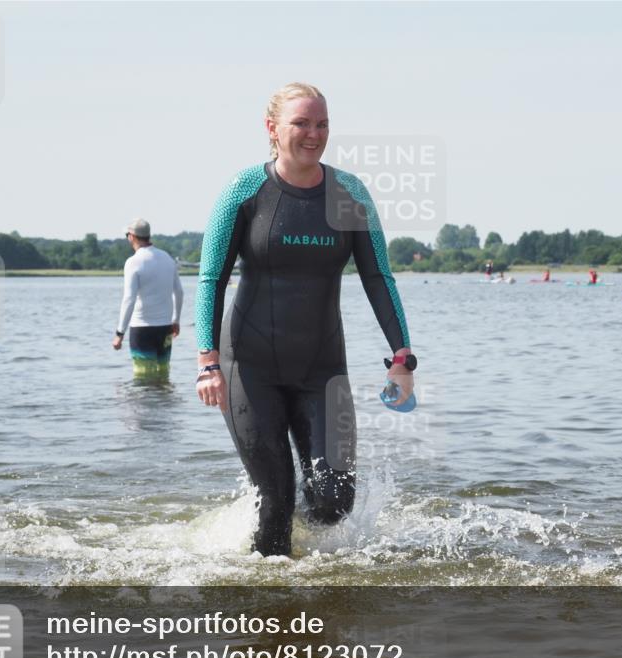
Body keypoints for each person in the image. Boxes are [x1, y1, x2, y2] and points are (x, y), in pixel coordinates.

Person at [194, 82, 415, 557]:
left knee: (335, 500)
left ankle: (309, 572)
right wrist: (208, 362)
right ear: (272, 129)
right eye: (301, 123)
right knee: (277, 500)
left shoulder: (349, 192)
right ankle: (271, 602)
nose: (313, 134)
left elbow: (379, 276)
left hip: (321, 369)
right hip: (248, 369)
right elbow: (211, 277)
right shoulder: (243, 190)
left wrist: (402, 358)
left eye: (322, 124)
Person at [112, 219, 183, 378]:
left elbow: (129, 298)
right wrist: (176, 320)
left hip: (142, 329)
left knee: (143, 377)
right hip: (165, 327)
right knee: (163, 374)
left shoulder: (133, 262)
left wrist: (120, 333)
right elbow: (179, 292)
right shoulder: (167, 258)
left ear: (132, 236)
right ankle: (163, 403)